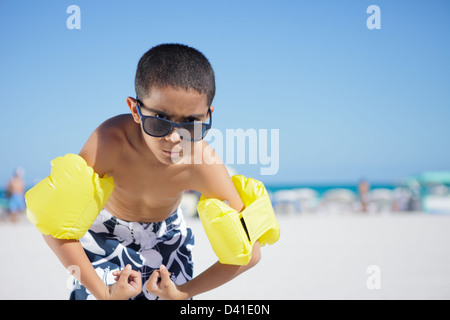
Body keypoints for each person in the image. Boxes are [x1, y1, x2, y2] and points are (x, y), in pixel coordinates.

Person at [39, 44, 261, 300]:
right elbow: (52, 226)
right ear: (135, 109)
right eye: (159, 121)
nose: (175, 138)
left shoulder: (202, 162)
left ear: (208, 115)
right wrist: (103, 293)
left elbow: (250, 252)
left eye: (191, 124)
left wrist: (182, 293)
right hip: (105, 233)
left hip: (166, 236)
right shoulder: (110, 142)